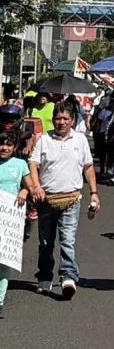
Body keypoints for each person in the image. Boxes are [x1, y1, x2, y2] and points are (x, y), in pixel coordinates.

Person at [29, 102, 100, 300]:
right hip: (46, 200)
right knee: (45, 242)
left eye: (65, 119)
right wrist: (36, 187)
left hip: (71, 199)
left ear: (72, 121)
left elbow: (88, 167)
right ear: (53, 120)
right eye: (58, 119)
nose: (61, 122)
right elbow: (33, 164)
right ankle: (44, 276)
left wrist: (94, 192)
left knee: (68, 241)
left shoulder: (80, 139)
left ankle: (68, 276)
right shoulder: (44, 139)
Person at [0, 131, 35, 318]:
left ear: (14, 147)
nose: (4, 148)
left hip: (8, 219)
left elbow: (31, 186)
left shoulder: (20, 164)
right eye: (1, 144)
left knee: (4, 262)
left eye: (8, 144)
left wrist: (24, 190)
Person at [91, 100, 114, 176]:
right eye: (112, 104)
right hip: (102, 134)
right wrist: (97, 132)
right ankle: (102, 167)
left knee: (111, 152)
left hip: (111, 135)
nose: (113, 105)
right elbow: (99, 122)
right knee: (102, 153)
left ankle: (109, 167)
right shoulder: (104, 111)